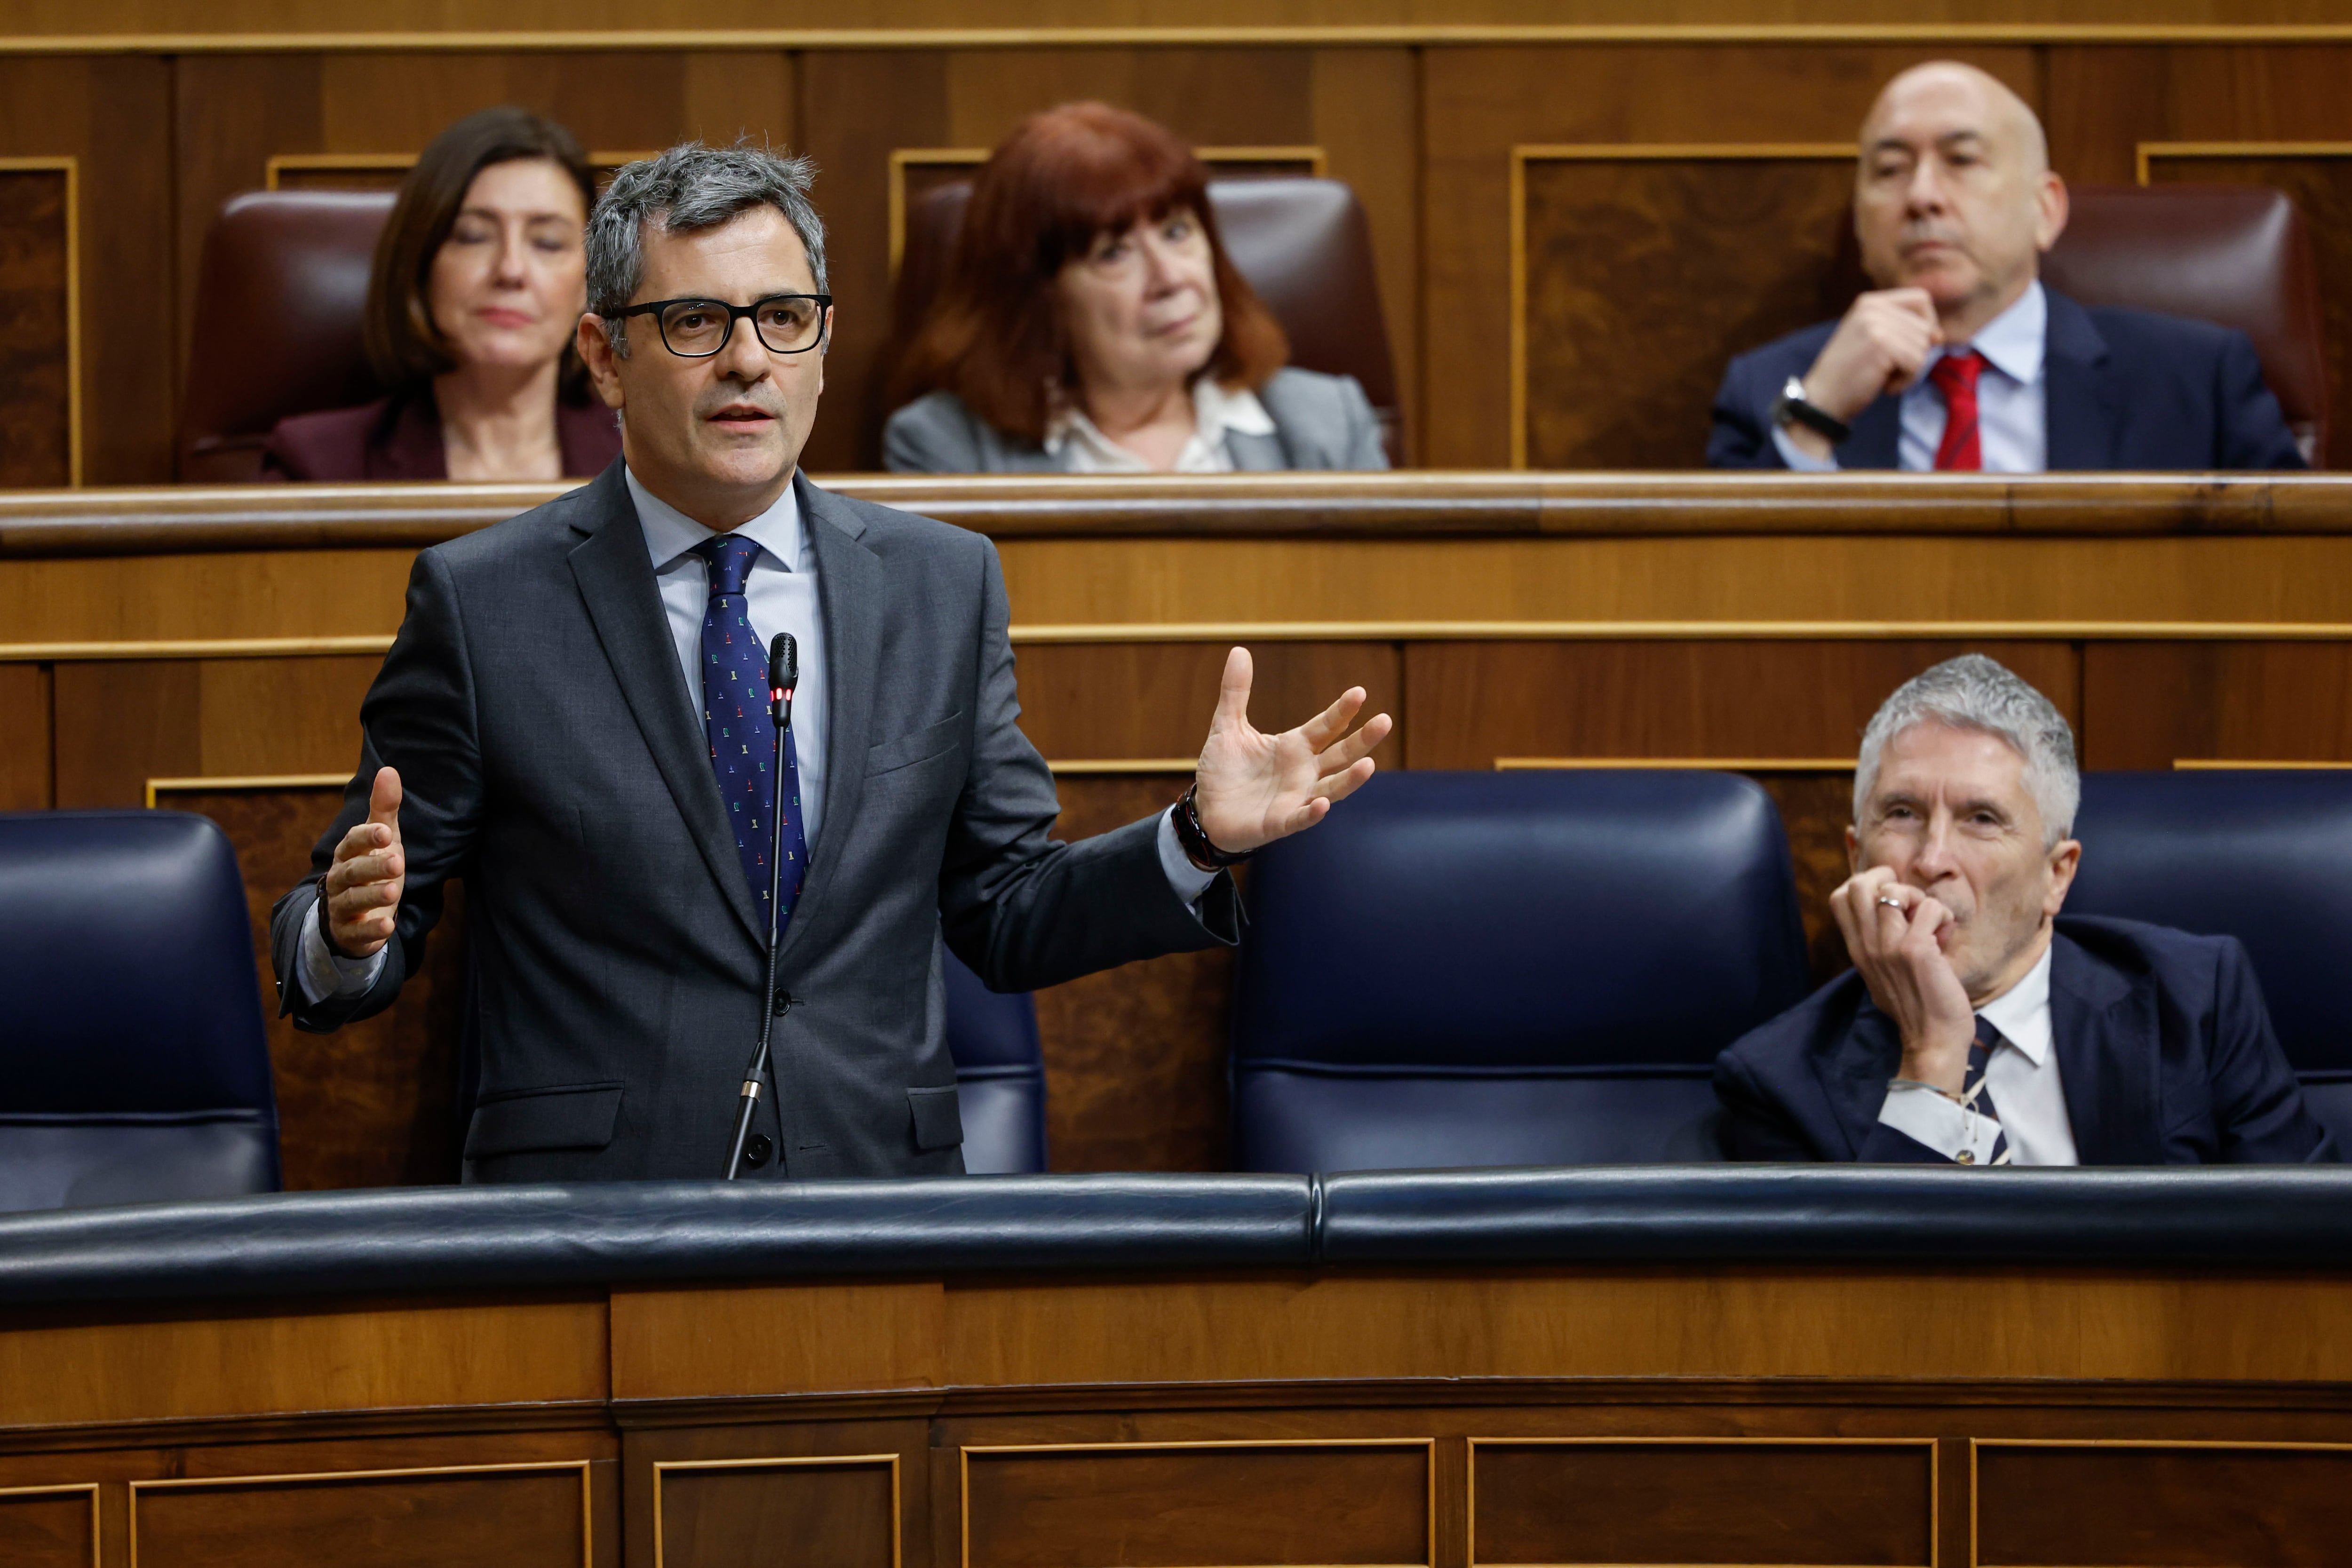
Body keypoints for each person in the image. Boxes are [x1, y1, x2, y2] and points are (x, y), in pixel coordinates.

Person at [267, 141, 1391, 1182]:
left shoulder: (938, 585)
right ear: (606, 359)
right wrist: (344, 933)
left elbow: (1003, 907)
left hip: (878, 1205)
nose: (749, 359)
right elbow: (351, 923)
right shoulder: (481, 603)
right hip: (592, 1218)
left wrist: (1194, 837)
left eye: (784, 318)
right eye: (697, 321)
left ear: (823, 339)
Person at [1713, 654, 2335, 1164]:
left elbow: (2307, 1262)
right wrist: (1931, 1057)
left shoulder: (2197, 1002)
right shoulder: (1778, 1082)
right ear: (1856, 859)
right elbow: (1863, 1311)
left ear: (2056, 876)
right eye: (1902, 813)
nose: (1932, 860)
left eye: (1981, 819)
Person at [1708, 62, 2303, 472]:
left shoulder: (2196, 382)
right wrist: (1815, 417)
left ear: (2045, 210)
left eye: (1960, 160)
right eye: (1889, 171)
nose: (1921, 196)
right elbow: (1718, 601)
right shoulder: (1766, 388)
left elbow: (2300, 583)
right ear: (1861, 229)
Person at [882, 102, 1386, 474]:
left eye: (1177, 232)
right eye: (1113, 254)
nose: (1171, 279)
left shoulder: (1328, 424)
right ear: (1039, 300)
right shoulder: (949, 449)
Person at [263, 106, 622, 482]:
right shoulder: (316, 466)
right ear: (420, 264)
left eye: (547, 243)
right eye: (472, 237)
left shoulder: (647, 462)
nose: (510, 270)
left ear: (589, 281)